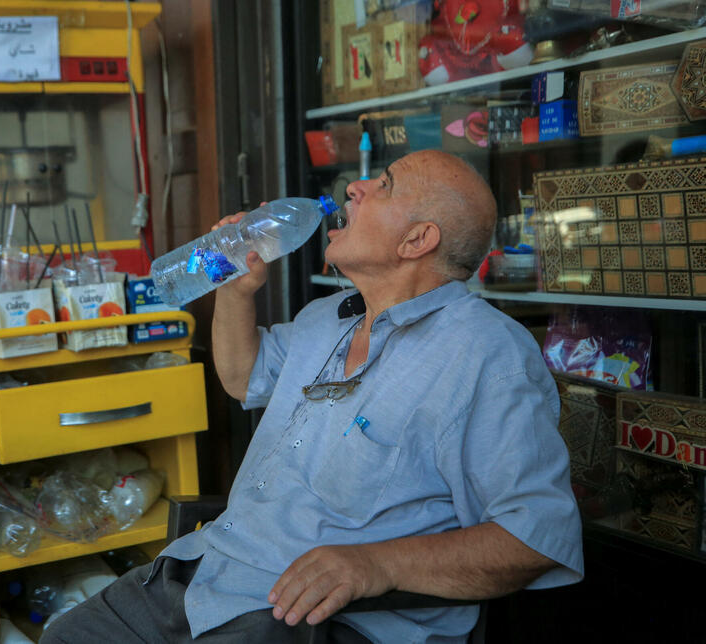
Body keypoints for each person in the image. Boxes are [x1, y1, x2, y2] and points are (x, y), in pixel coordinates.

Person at [43, 150, 583, 643]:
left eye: (384, 186)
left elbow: (535, 535)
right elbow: (242, 377)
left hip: (314, 620)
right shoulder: (327, 317)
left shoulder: (486, 354)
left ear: (417, 241)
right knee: (66, 637)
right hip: (207, 572)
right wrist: (235, 289)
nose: (356, 188)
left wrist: (378, 565)